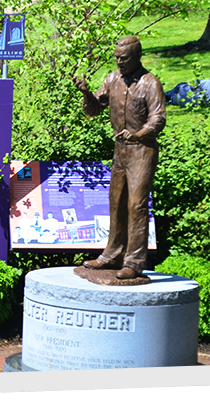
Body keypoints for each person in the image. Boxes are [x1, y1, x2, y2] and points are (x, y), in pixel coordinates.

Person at [73, 35, 166, 281]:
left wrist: (138, 133)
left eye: (124, 58)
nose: (120, 63)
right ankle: (112, 254)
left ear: (137, 56)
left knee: (136, 205)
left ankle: (134, 262)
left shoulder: (150, 83)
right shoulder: (112, 79)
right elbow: (94, 110)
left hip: (142, 152)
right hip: (120, 152)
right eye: (117, 58)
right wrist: (86, 94)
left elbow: (158, 119)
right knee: (116, 202)